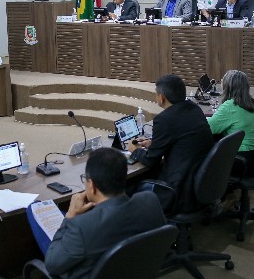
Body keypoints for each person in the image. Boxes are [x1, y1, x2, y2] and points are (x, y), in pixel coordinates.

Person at [42, 148, 166, 278]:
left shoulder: (81, 226)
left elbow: (52, 264)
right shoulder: (150, 201)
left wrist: (69, 217)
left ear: (92, 186)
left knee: (33, 212)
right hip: (138, 271)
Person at [128, 74, 213, 211]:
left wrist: (135, 150)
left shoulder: (164, 120)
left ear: (162, 97)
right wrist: (154, 144)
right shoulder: (194, 108)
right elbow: (182, 139)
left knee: (128, 188)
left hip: (178, 190)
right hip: (200, 182)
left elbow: (151, 161)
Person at [207, 70, 254, 176]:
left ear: (228, 87)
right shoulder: (248, 102)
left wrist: (201, 119)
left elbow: (208, 128)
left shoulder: (229, 106)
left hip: (241, 161)